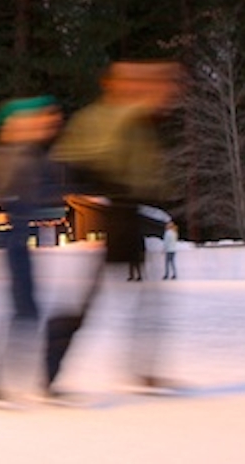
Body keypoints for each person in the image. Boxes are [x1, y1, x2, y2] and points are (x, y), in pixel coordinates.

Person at [50, 60, 183, 394]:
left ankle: (143, 369)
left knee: (145, 298)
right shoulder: (103, 117)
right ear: (111, 84)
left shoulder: (134, 119)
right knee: (89, 299)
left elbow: (152, 119)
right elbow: (77, 160)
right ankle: (50, 364)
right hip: (110, 214)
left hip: (128, 213)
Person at [0, 96, 64, 405]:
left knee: (26, 311)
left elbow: (54, 188)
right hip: (10, 239)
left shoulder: (36, 158)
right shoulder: (2, 156)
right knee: (24, 310)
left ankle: (12, 381)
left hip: (21, 238)